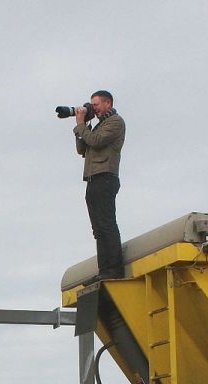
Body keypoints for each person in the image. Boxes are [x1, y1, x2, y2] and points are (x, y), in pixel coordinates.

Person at [72, 90, 126, 281]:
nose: (92, 108)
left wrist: (81, 125)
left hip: (105, 177)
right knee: (98, 229)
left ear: (107, 103)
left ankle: (114, 268)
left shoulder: (115, 122)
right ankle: (104, 269)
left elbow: (96, 141)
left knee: (106, 224)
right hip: (93, 179)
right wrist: (83, 124)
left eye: (95, 104)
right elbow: (82, 149)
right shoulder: (97, 126)